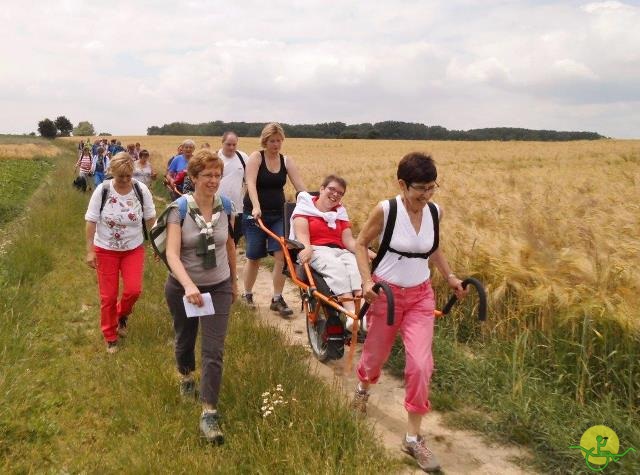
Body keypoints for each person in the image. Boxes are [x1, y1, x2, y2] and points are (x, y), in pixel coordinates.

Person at [351, 152, 467, 473]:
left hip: (421, 297)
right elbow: (361, 243)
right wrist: (365, 281)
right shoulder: (386, 210)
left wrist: (450, 277)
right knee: (374, 356)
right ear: (402, 184)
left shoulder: (434, 212)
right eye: (421, 189)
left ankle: (413, 438)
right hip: (386, 295)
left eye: (432, 187)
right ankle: (362, 389)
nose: (427, 195)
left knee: (420, 364)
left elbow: (433, 247)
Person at [163, 149, 237, 444]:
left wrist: (233, 283)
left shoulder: (226, 206)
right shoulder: (178, 209)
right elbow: (171, 253)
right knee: (184, 339)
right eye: (207, 175)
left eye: (217, 175)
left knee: (213, 350)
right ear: (192, 177)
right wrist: (189, 285)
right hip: (183, 288)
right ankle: (185, 376)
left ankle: (209, 413)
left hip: (218, 286)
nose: (213, 180)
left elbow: (229, 245)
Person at [84, 152, 156, 353]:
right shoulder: (103, 190)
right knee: (108, 296)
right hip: (106, 249)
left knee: (133, 290)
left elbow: (151, 219)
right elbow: (90, 220)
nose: (125, 180)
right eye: (120, 176)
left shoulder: (140, 190)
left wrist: (160, 246)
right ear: (112, 173)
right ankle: (110, 335)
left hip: (133, 248)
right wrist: (90, 250)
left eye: (128, 175)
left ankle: (121, 315)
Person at [291, 175, 374, 328]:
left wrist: (365, 252)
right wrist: (307, 247)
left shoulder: (340, 212)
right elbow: (301, 235)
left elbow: (348, 241)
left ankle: (362, 314)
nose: (335, 194)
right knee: (336, 267)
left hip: (340, 250)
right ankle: (350, 314)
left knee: (357, 266)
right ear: (321, 189)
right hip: (316, 249)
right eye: (332, 189)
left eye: (340, 193)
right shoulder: (304, 208)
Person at [242, 122, 306, 315]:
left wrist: (312, 205)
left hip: (278, 214)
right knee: (254, 257)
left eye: (278, 141)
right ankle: (247, 294)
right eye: (272, 141)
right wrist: (256, 206)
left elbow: (300, 188)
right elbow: (250, 183)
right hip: (255, 214)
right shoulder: (256, 157)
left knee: (281, 255)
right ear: (265, 141)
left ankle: (277, 298)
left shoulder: (286, 161)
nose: (276, 145)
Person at [218, 131, 249, 245]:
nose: (231, 147)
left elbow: (249, 181)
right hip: (217, 207)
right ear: (222, 143)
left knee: (233, 239)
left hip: (237, 208)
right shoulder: (215, 157)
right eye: (228, 144)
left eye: (234, 145)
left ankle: (230, 262)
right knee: (218, 239)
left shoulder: (243, 157)